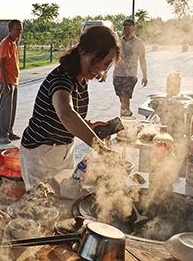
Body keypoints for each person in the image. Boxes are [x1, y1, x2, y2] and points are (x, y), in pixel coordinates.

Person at [20, 25, 122, 190]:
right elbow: (66, 114)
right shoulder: (61, 79)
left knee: (66, 199)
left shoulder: (82, 78)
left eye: (107, 63)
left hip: (64, 150)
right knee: (43, 207)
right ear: (81, 50)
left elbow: (69, 119)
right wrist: (101, 149)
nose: (99, 68)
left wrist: (88, 127)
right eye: (96, 60)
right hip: (40, 153)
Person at [112, 19, 147, 117]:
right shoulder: (118, 42)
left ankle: (124, 122)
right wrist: (105, 72)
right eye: (124, 28)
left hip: (130, 76)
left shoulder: (139, 43)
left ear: (134, 29)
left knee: (125, 99)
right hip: (117, 75)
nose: (126, 31)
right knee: (122, 100)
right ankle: (127, 113)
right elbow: (112, 57)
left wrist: (145, 75)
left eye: (129, 28)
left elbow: (142, 60)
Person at [0, 19, 23, 144]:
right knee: (5, 109)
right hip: (6, 81)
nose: (19, 32)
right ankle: (1, 134)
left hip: (14, 80)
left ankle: (9, 131)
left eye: (20, 29)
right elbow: (2, 64)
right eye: (17, 29)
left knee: (11, 109)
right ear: (10, 30)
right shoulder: (5, 43)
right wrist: (5, 85)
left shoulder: (13, 44)